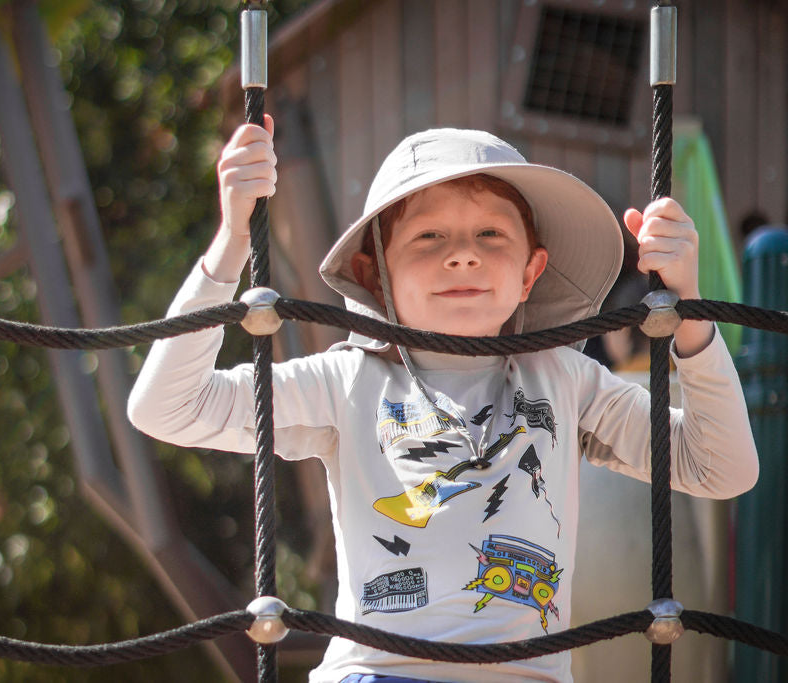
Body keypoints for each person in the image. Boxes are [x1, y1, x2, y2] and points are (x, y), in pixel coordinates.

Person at [127, 119, 758, 683]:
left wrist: (691, 315)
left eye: (490, 233)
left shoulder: (564, 378)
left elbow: (721, 466)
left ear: (531, 272)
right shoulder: (346, 381)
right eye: (428, 237)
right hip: (377, 672)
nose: (462, 254)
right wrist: (232, 244)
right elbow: (168, 406)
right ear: (377, 274)